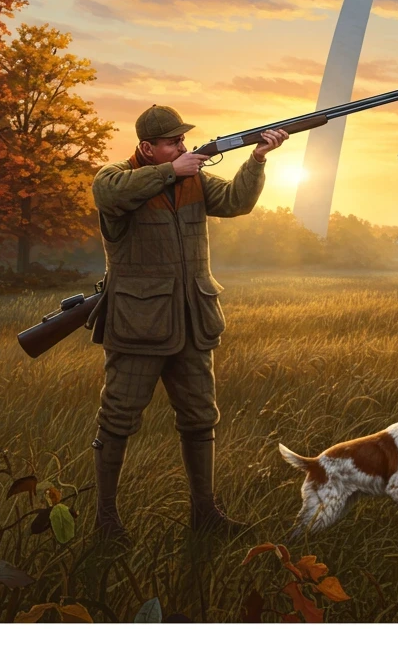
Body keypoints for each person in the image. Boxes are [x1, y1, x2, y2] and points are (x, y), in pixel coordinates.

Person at [87, 104, 288, 541]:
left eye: (183, 140)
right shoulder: (115, 176)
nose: (183, 146)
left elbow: (237, 202)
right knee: (117, 419)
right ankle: (105, 521)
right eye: (173, 142)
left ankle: (205, 515)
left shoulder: (192, 178)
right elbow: (109, 196)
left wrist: (256, 159)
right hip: (139, 326)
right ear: (147, 148)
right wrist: (169, 172)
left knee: (200, 418)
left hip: (193, 321)